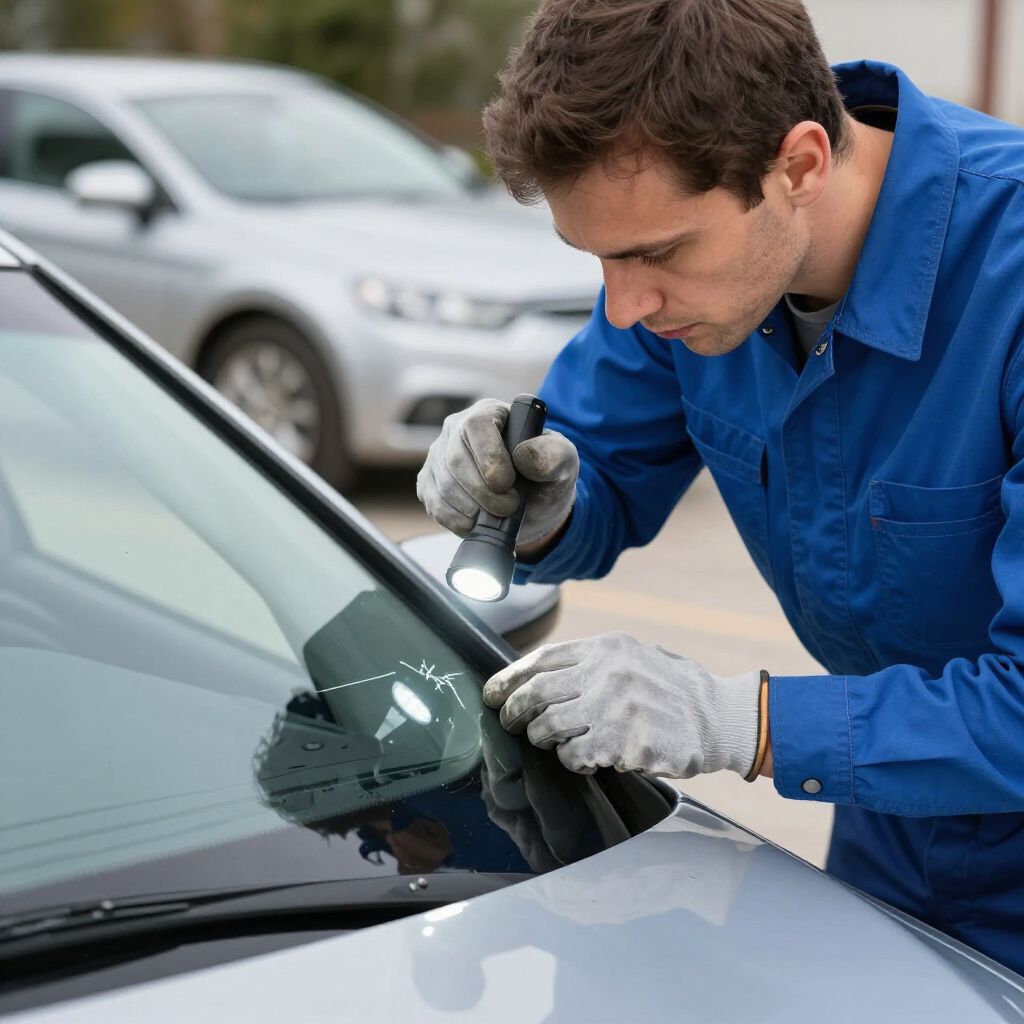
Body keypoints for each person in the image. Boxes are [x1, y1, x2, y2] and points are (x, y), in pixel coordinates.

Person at [416, 0, 1024, 972]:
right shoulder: (689, 281)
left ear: (798, 166)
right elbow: (599, 468)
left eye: (654, 253)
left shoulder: (1012, 279)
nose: (625, 305)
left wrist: (740, 721)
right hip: (888, 813)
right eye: (601, 259)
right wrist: (537, 502)